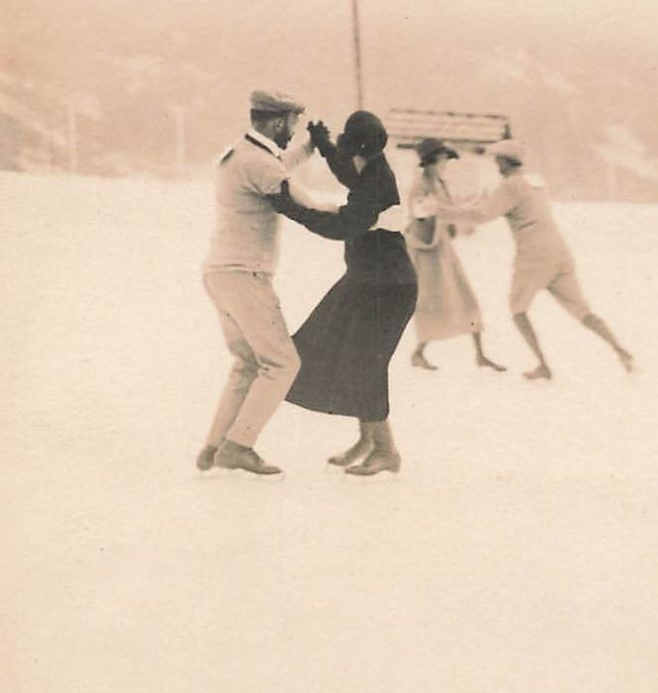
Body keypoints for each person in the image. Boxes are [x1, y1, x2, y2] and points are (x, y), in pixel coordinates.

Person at [269, 111, 419, 476]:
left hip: (386, 288)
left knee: (367, 363)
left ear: (357, 146)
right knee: (345, 355)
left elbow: (342, 226)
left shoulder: (375, 178)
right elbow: (346, 172)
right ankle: (368, 441)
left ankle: (385, 450)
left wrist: (290, 208)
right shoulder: (373, 169)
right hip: (368, 281)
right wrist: (323, 145)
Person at [196, 89, 318, 477]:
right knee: (283, 363)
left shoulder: (240, 153)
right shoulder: (261, 165)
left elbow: (275, 165)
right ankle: (238, 446)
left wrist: (307, 149)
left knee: (247, 363)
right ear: (279, 121)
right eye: (293, 123)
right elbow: (305, 204)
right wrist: (365, 215)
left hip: (221, 272)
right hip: (245, 275)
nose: (293, 129)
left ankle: (215, 447)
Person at [445, 139, 633, 380]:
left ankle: (543, 365)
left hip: (534, 256)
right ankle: (621, 350)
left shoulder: (510, 185)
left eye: (496, 160)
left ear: (503, 161)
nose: (495, 165)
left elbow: (482, 216)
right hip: (559, 252)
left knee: (517, 310)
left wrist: (442, 213)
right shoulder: (534, 182)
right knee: (582, 310)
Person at [404, 138, 506, 372]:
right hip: (426, 250)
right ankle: (418, 353)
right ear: (430, 161)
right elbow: (422, 210)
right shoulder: (419, 185)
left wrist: (468, 207)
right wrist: (461, 211)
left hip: (442, 248)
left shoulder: (438, 182)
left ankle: (480, 355)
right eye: (442, 160)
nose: (445, 164)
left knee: (464, 297)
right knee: (433, 303)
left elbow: (446, 210)